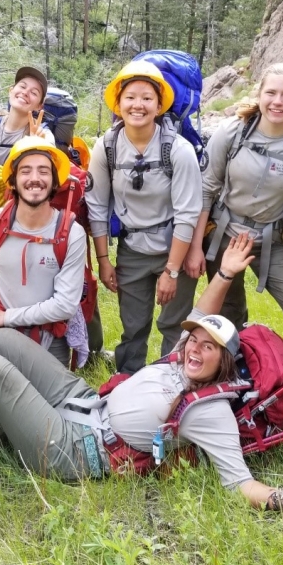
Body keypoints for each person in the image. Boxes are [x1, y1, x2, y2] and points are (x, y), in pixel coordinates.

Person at [0, 234, 283, 526]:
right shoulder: (181, 360)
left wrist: (282, 498)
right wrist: (227, 274)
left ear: (224, 364)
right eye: (193, 341)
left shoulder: (209, 410)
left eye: (208, 348)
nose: (194, 348)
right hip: (86, 401)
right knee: (4, 338)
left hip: (71, 449)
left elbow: (239, 483)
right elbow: (202, 316)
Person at [186, 62, 283, 416]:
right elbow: (206, 191)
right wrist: (194, 248)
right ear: (259, 94)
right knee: (226, 313)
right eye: (271, 92)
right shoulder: (233, 131)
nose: (277, 101)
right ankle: (223, 388)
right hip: (223, 234)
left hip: (273, 241)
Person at [86, 61, 202, 374]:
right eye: (131, 97)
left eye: (147, 98)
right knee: (133, 328)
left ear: (159, 104)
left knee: (174, 327)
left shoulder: (178, 150)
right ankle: (126, 385)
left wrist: (172, 271)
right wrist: (104, 260)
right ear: (118, 102)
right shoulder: (107, 146)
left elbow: (187, 213)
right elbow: (96, 205)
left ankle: (171, 386)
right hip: (132, 249)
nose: (138, 105)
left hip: (173, 248)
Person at [0, 137, 89, 366]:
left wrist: (5, 317)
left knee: (55, 400)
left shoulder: (71, 233)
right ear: (12, 180)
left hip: (47, 334)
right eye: (25, 171)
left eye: (43, 171)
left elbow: (65, 305)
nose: (34, 179)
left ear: (54, 181)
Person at [0, 66, 55, 166]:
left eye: (34, 93)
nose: (25, 92)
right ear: (11, 91)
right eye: (22, 86)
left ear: (39, 106)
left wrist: (36, 145)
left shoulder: (44, 136)